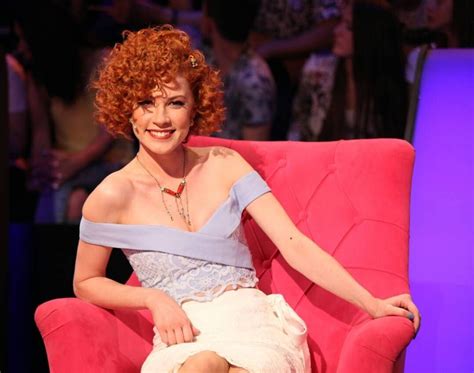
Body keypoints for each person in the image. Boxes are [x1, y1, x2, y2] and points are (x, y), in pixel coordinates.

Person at [74, 25, 420, 373]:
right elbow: (86, 281)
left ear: (194, 108)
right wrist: (152, 298)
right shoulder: (110, 195)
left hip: (253, 328)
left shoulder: (225, 166)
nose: (161, 118)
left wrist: (372, 304)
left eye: (175, 102)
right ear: (126, 108)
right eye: (146, 102)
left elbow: (295, 245)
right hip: (182, 339)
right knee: (200, 365)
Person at [293, 0, 408, 141]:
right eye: (340, 22)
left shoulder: (388, 90)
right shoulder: (317, 75)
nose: (336, 31)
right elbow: (299, 132)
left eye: (348, 27)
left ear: (370, 36)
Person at [203, 0, 276, 141]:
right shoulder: (202, 59)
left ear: (209, 23)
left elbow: (255, 151)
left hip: (232, 160)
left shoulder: (255, 82)